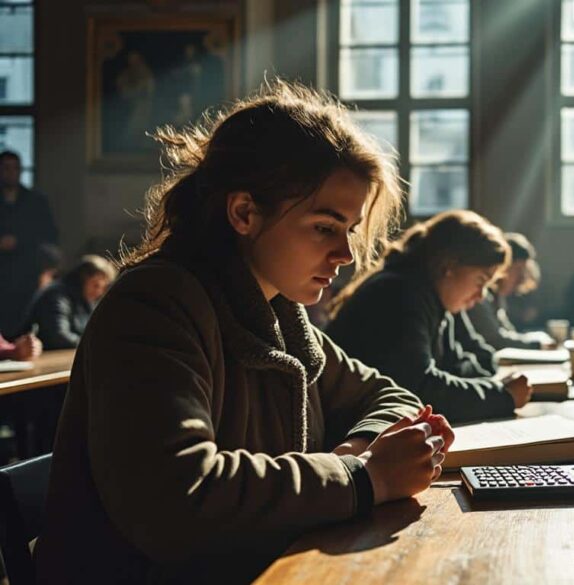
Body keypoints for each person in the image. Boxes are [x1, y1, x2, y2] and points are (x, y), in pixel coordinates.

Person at [35, 80, 454, 583]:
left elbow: (391, 396)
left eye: (349, 230)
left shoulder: (280, 312)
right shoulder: (154, 306)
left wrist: (356, 451)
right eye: (325, 227)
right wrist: (365, 478)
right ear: (244, 213)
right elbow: (175, 501)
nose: (345, 254)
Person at [326, 210, 533, 424]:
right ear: (449, 266)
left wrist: (491, 386)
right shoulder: (400, 294)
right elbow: (420, 390)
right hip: (347, 430)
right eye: (481, 281)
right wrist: (501, 396)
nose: (481, 295)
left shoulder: (434, 296)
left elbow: (464, 364)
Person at [0, 150, 59, 334]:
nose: (11, 173)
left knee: (24, 325)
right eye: (6, 168)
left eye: (15, 168)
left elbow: (49, 235)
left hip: (28, 273)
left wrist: (18, 241)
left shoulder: (35, 201)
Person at [465, 232, 554, 350]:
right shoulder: (479, 296)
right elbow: (495, 340)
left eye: (524, 270)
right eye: (517, 269)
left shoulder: (497, 297)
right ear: (501, 267)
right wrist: (537, 345)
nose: (522, 278)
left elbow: (509, 332)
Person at [20, 254, 117, 349]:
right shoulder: (56, 296)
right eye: (96, 285)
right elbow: (59, 337)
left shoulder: (86, 300)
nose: (99, 292)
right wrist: (97, 345)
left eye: (103, 287)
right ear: (82, 279)